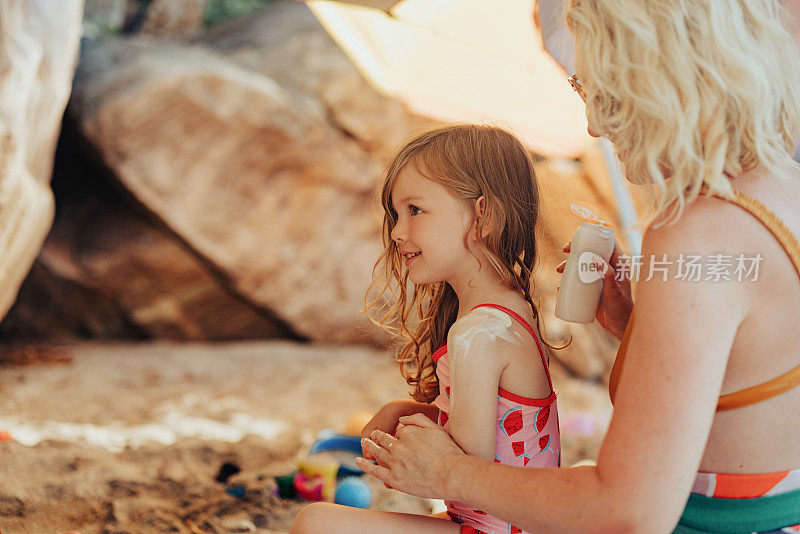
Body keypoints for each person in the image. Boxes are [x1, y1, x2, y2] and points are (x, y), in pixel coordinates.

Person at [357, 1, 800, 533]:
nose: (592, 123)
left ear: (658, 72)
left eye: (599, 89)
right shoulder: (779, 191)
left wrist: (452, 473)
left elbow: (628, 513)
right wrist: (633, 324)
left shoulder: (695, 232)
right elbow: (751, 369)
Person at [291, 124, 564, 533]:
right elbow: (486, 434)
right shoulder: (509, 310)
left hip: (492, 529)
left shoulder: (478, 334)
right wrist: (404, 411)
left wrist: (400, 456)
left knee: (314, 524)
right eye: (396, 216)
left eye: (415, 211)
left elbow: (461, 470)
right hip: (500, 524)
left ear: (483, 214)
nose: (398, 232)